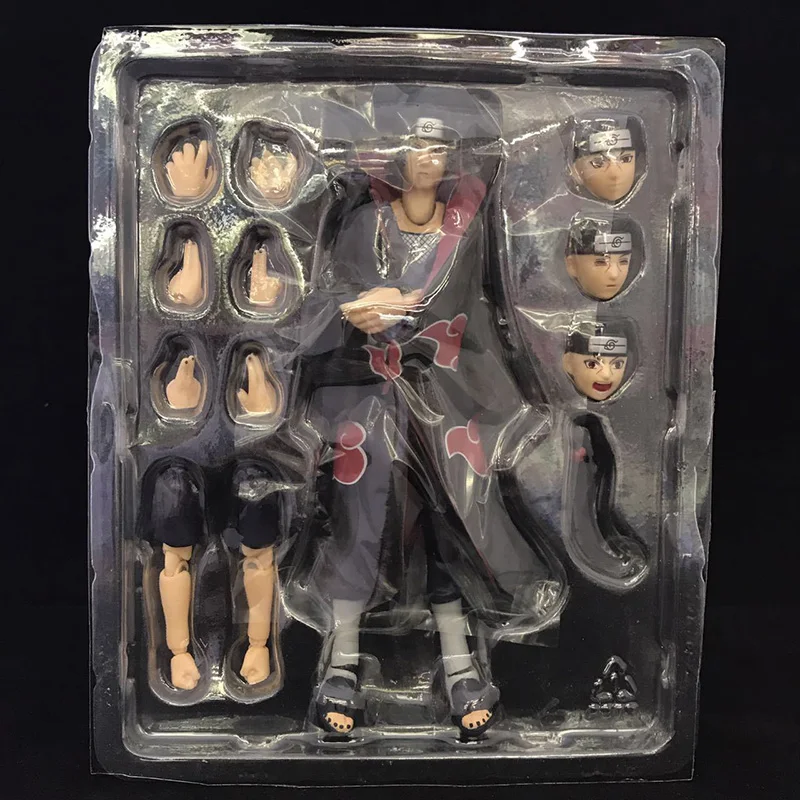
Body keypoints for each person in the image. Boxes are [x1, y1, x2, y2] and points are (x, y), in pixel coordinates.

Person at [295, 113, 566, 740]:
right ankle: (341, 662)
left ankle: (460, 664)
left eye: (439, 147)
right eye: (415, 146)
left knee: (450, 524)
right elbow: (323, 302)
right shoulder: (365, 223)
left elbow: (483, 314)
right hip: (364, 397)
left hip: (444, 398)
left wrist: (496, 402)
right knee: (358, 521)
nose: (426, 158)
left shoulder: (463, 231)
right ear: (397, 155)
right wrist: (352, 310)